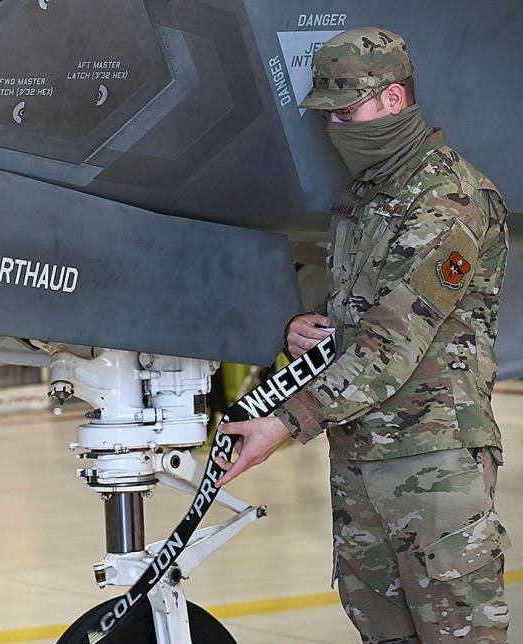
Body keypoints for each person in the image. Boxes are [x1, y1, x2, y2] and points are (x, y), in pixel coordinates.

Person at [213, 28, 510, 643]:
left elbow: (390, 345)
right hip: (361, 453)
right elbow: (364, 314)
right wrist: (308, 327)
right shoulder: (368, 198)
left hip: (433, 463)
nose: (335, 128)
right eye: (328, 115)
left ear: (393, 100)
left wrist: (283, 422)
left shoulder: (447, 200)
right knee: (381, 630)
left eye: (346, 111)